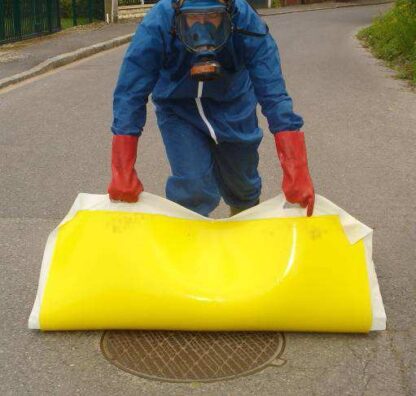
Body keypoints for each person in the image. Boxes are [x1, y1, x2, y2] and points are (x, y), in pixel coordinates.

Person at [108, 0, 315, 217]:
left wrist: (296, 170)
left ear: (228, 10)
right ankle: (191, 241)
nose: (203, 27)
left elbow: (274, 93)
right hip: (179, 110)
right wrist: (122, 170)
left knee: (243, 186)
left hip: (234, 106)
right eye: (193, 19)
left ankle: (243, 226)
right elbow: (130, 92)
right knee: (193, 187)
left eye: (213, 17)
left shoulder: (245, 20)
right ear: (178, 10)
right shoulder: (159, 22)